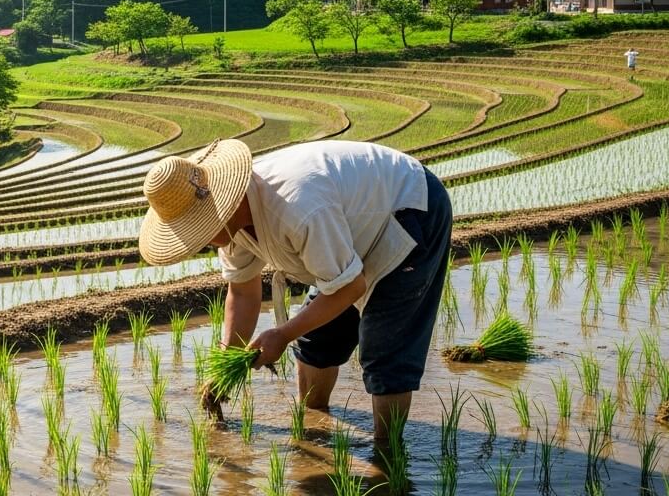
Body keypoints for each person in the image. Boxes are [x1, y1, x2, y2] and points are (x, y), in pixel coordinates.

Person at [138, 138, 452, 452]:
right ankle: (315, 427)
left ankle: (387, 456)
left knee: (385, 351)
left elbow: (350, 286)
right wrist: (226, 363)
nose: (201, 240)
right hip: (349, 228)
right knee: (317, 341)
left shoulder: (296, 206)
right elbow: (243, 292)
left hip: (409, 210)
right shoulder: (231, 229)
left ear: (219, 208)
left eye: (198, 229)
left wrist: (283, 334)